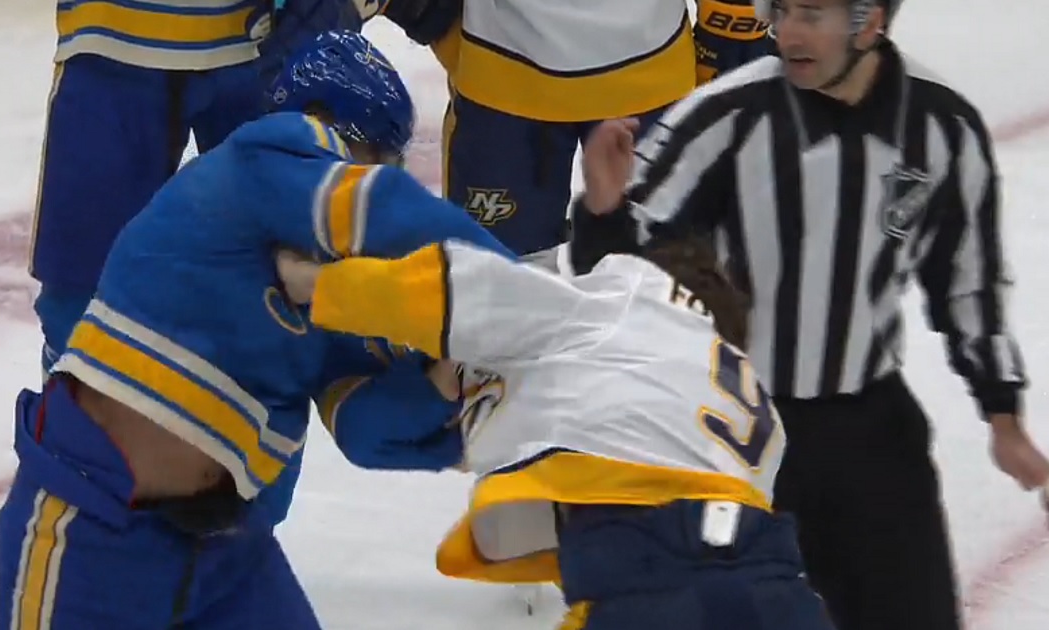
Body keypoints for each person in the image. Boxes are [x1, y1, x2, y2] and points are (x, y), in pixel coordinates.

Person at [566, 1, 1049, 629]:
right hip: (742, 435)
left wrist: (1003, 414)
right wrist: (603, 215)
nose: (788, 32)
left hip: (872, 430)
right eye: (782, 11)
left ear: (870, 22)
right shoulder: (725, 116)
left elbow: (969, 279)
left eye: (811, 14)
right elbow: (621, 277)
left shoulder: (942, 127)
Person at [0, 31, 515, 630]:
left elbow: (365, 428)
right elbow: (383, 206)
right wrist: (519, 294)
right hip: (90, 530)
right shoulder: (260, 158)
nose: (384, 172)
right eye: (375, 156)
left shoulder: (330, 292)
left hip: (227, 554)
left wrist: (444, 388)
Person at [273, 226, 835, 629]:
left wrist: (318, 285)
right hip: (779, 585)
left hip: (647, 566)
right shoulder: (750, 407)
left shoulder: (618, 302)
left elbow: (464, 292)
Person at [27, 0, 371, 525]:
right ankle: (83, 522)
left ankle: (239, 539)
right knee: (78, 301)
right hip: (110, 38)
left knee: (280, 295)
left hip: (259, 46)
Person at [366, 0, 773, 257]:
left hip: (527, 74)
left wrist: (730, 33)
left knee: (659, 283)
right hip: (506, 74)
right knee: (494, 285)